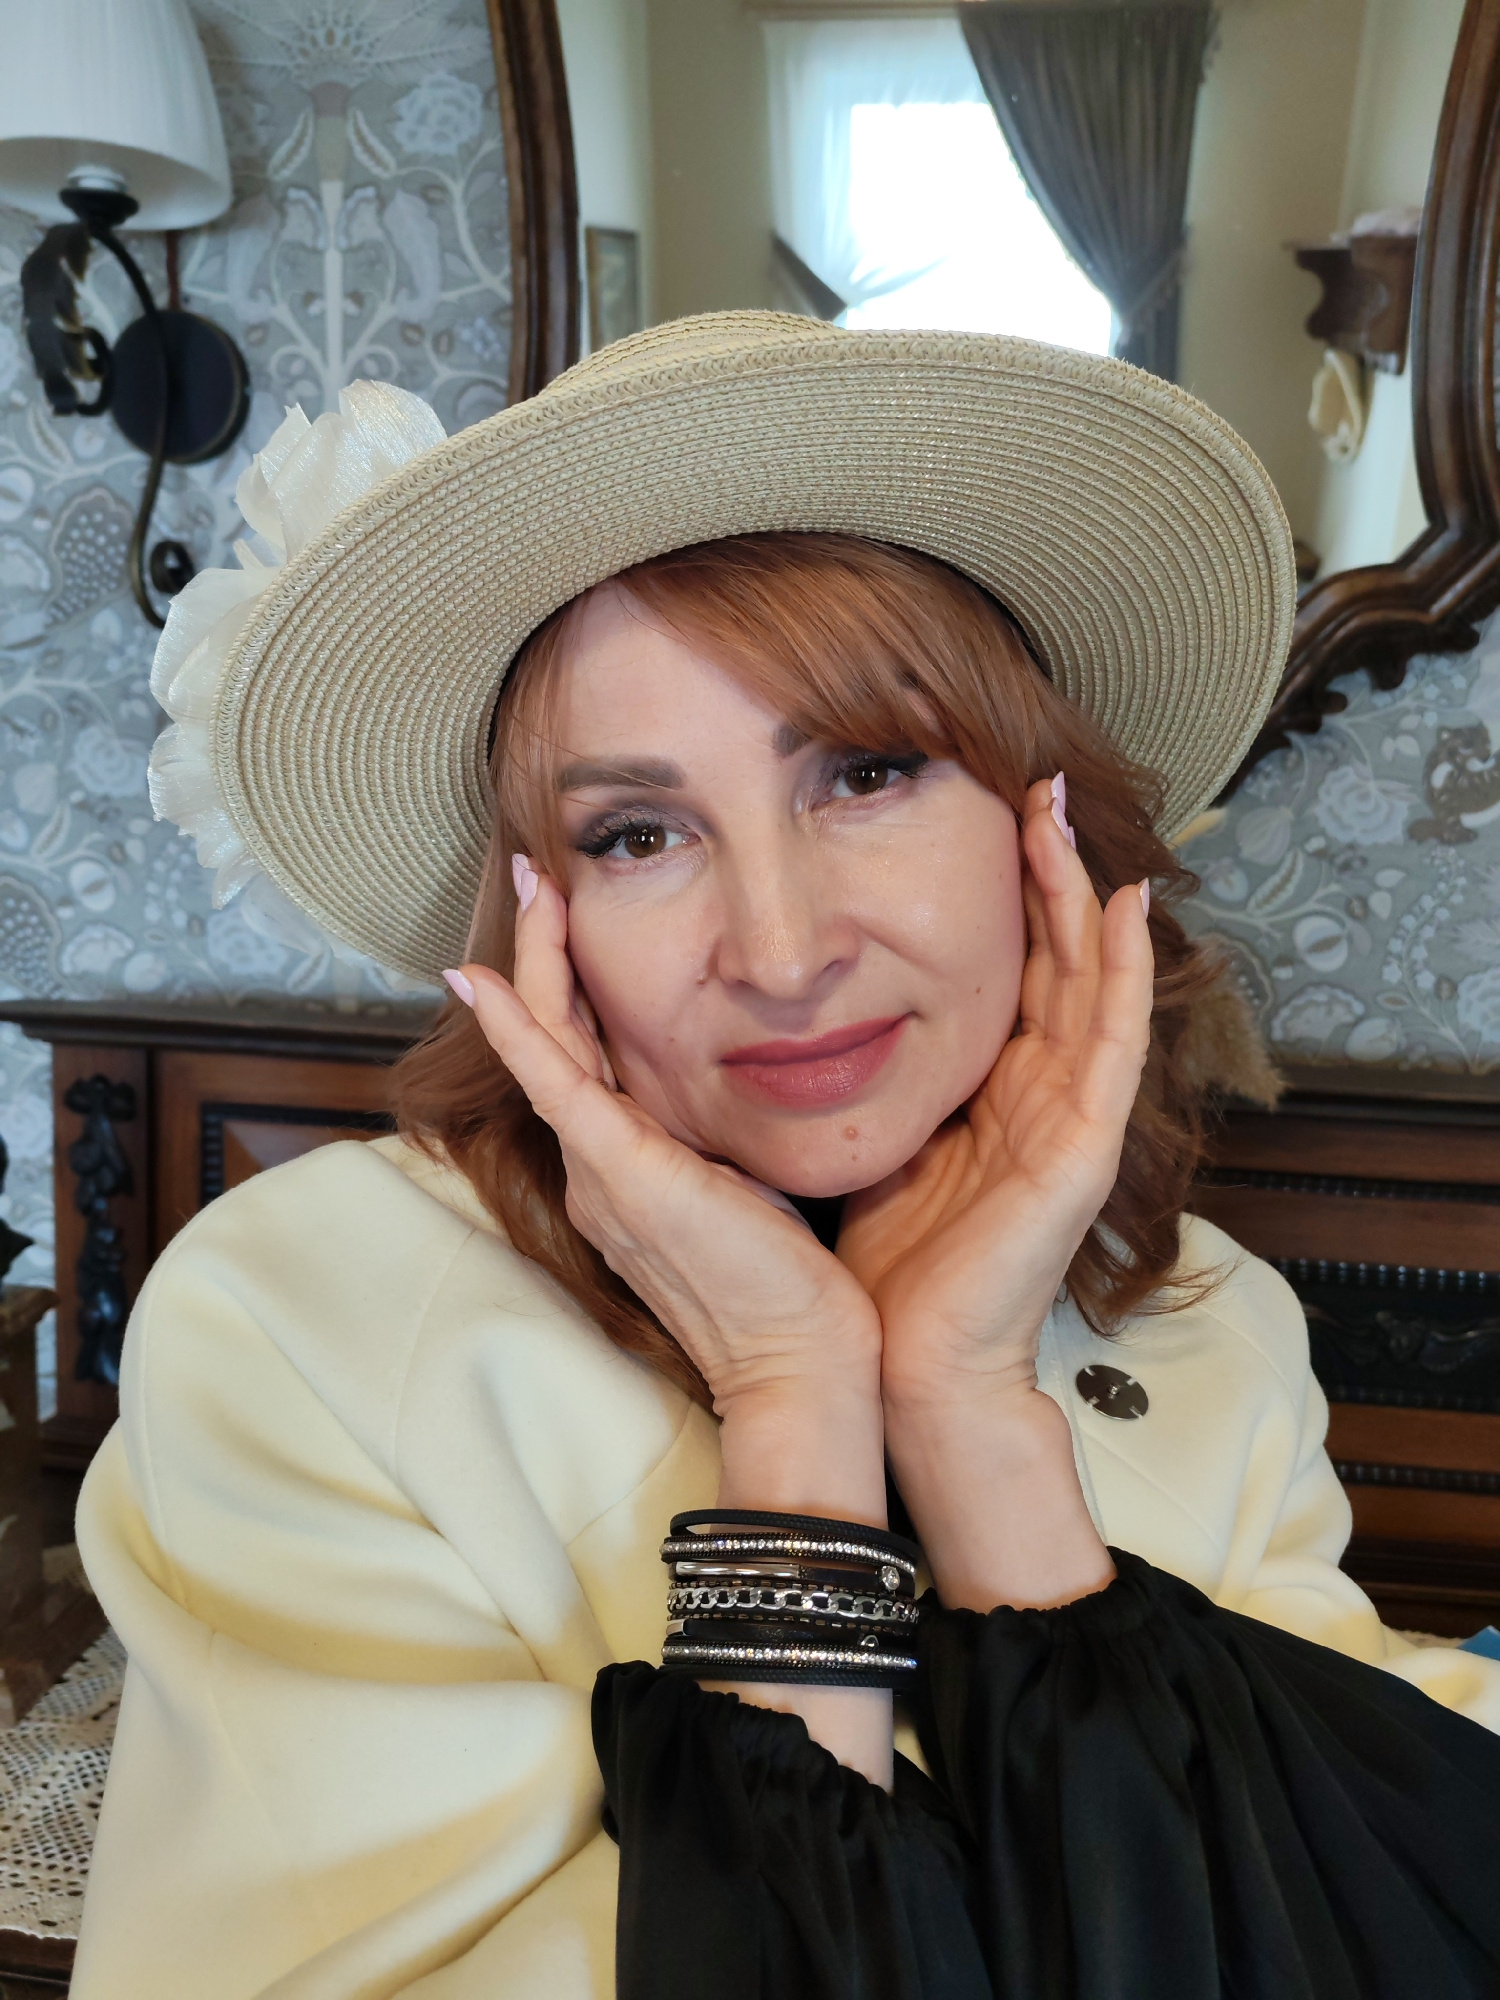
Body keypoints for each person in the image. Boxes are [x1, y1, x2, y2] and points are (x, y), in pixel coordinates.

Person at [73, 316, 1500, 2000]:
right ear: (541, 921)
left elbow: (1342, 1926)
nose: (781, 948)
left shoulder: (1211, 1322)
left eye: (868, 772)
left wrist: (969, 1422)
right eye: (636, 834)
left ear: (1043, 831)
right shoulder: (305, 1315)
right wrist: (796, 1412)